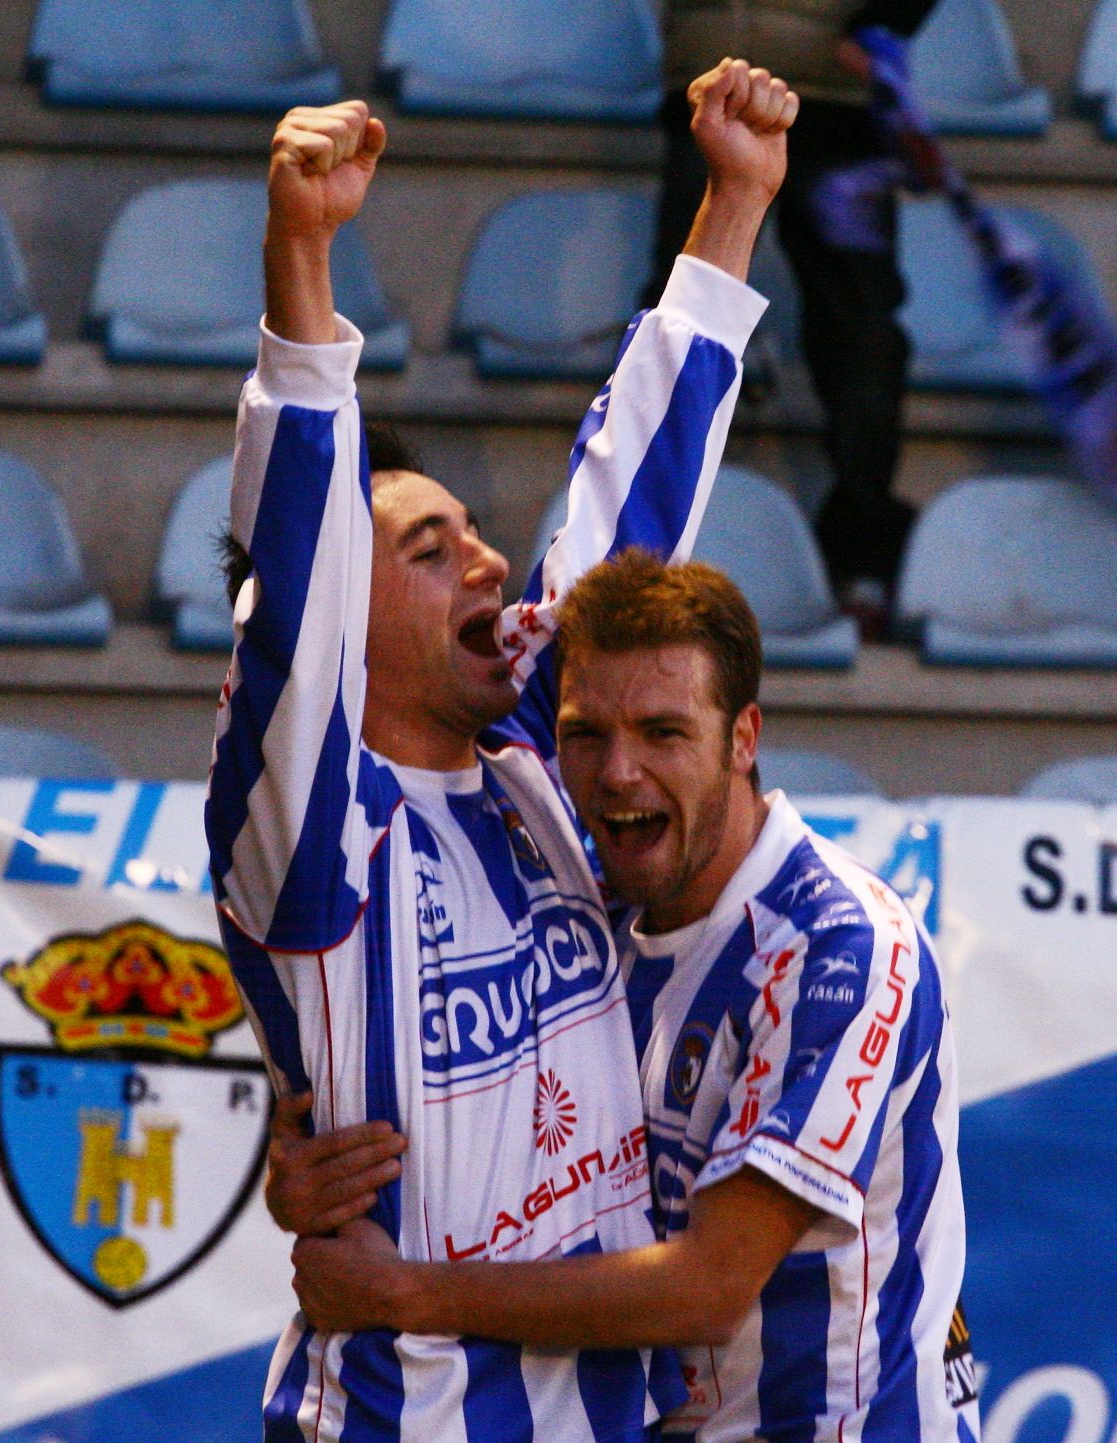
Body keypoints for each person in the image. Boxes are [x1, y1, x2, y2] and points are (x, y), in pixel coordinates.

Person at [205, 64, 797, 1443]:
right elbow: (290, 579)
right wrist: (303, 264)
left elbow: (631, 497)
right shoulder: (312, 832)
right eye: (431, 549)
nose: (488, 557)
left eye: (472, 530)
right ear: (349, 614)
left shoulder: (536, 753)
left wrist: (734, 204)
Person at [277, 549, 980, 1441]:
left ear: (743, 738)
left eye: (662, 732)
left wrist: (405, 1292)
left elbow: (708, 1288)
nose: (616, 773)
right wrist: (313, 1172)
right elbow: (466, 1131)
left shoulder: (842, 946)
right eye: (585, 734)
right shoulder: (588, 914)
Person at [648, 1, 939, 635]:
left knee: (860, 334)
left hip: (834, 103)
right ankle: (641, 548)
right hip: (712, 90)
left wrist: (884, 29)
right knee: (676, 324)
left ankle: (863, 565)